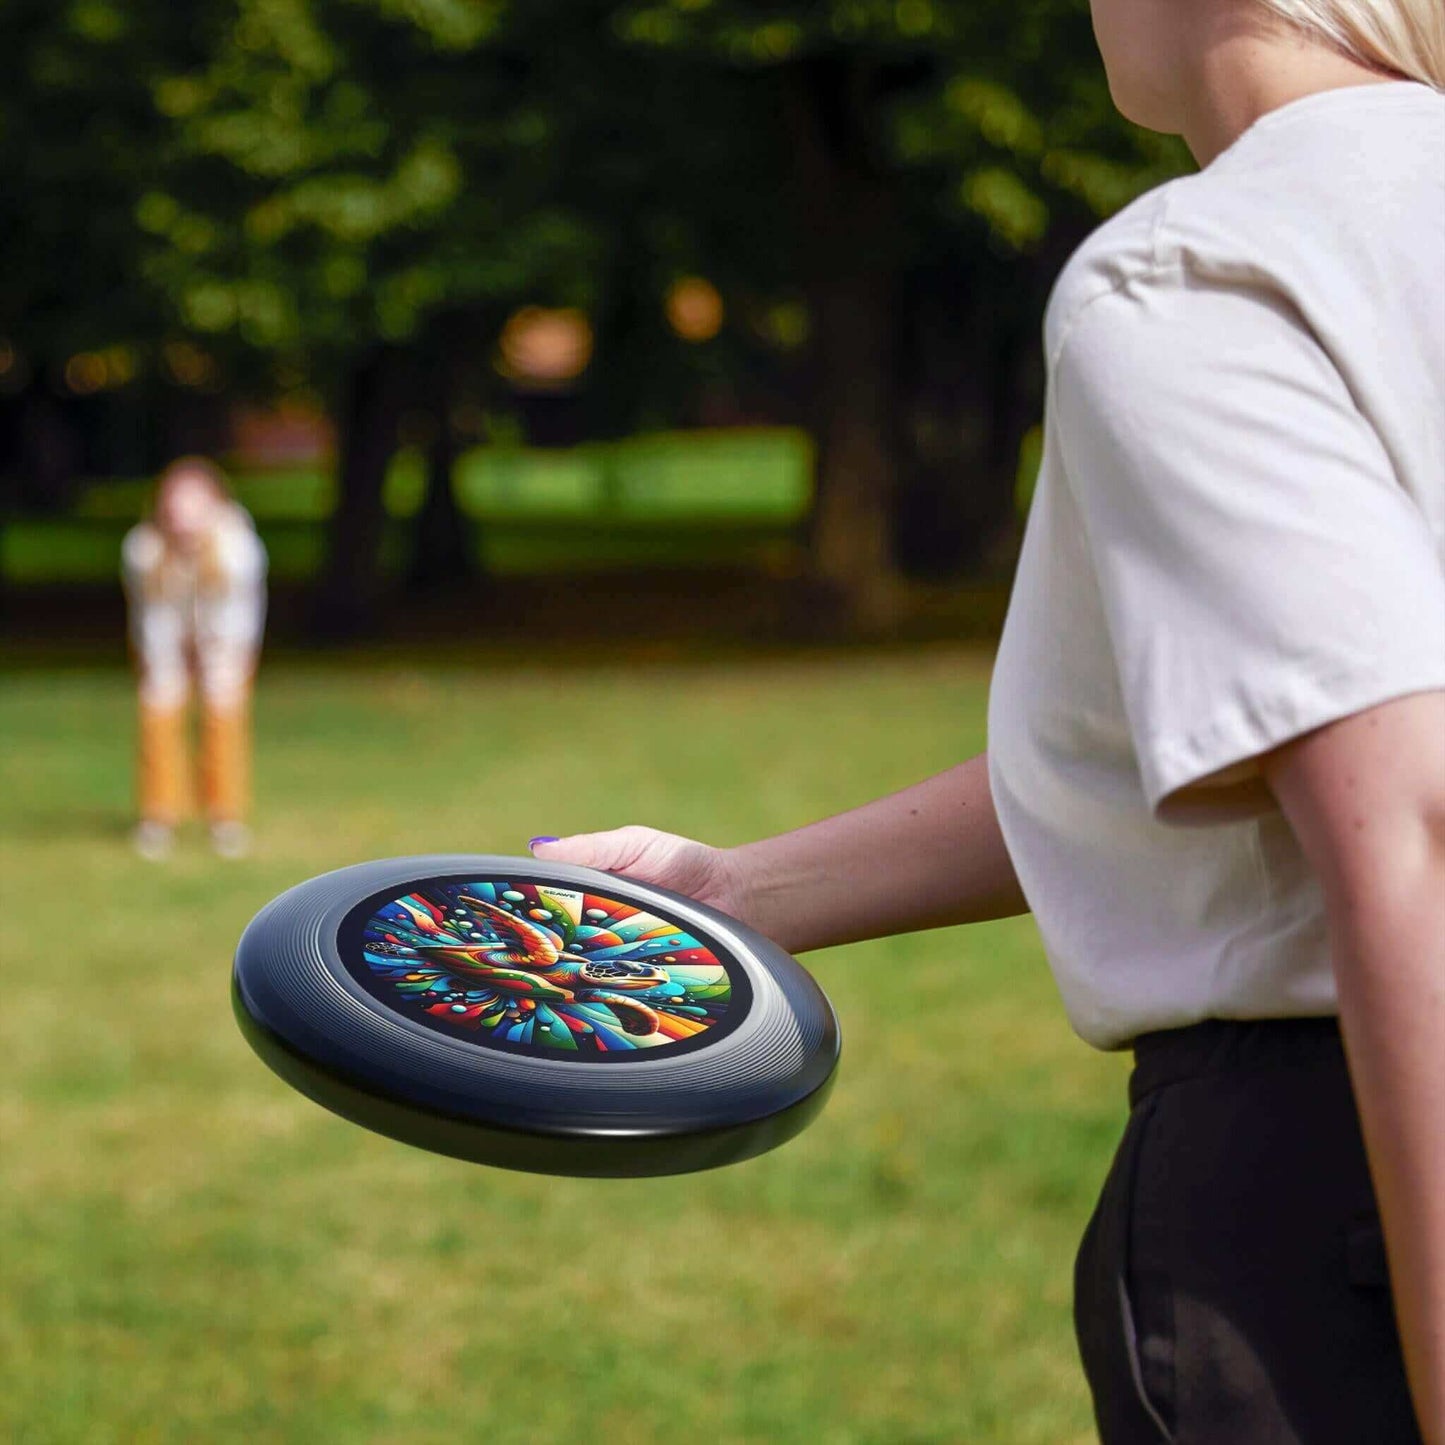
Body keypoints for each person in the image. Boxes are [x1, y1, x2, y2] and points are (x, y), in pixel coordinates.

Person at [526, 2, 1445, 1439]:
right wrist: (738, 891)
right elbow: (1221, 739)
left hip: (1341, 1196)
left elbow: (1411, 823)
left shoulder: (1204, 271)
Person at [122, 457, 267, 860]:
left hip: (226, 641)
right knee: (159, 709)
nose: (183, 515)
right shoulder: (143, 550)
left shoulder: (238, 549)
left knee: (223, 714)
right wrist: (165, 667)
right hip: (165, 639)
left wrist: (218, 662)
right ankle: (158, 816)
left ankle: (225, 818)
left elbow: (236, 617)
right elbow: (152, 617)